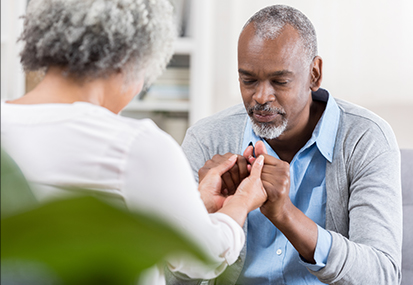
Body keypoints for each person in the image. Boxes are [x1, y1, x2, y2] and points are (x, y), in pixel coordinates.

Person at [0, 0, 269, 283]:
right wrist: (239, 203)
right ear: (128, 59)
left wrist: (192, 205)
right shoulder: (134, 145)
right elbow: (198, 258)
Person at [166, 4, 402, 285]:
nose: (261, 96)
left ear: (314, 74)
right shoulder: (206, 139)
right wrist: (207, 221)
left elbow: (382, 275)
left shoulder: (366, 138)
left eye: (280, 81)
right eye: (248, 80)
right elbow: (166, 277)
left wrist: (285, 214)